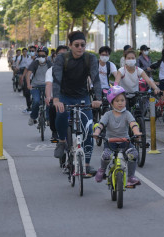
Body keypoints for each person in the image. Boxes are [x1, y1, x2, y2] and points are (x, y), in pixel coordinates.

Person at [52, 31, 102, 176]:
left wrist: (98, 98)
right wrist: (56, 99)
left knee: (88, 129)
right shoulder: (62, 58)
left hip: (82, 96)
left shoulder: (90, 58)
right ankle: (62, 141)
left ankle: (86, 164)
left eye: (83, 45)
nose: (80, 48)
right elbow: (56, 79)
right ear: (70, 46)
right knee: (61, 114)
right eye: (77, 45)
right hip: (64, 96)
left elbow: (96, 79)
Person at [93, 86, 142, 186]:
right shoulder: (108, 114)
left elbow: (133, 123)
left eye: (122, 100)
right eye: (117, 101)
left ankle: (131, 177)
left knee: (134, 154)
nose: (120, 103)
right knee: (106, 155)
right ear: (111, 103)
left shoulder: (127, 114)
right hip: (110, 142)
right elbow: (101, 125)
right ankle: (102, 170)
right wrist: (97, 133)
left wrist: (137, 132)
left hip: (125, 141)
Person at [45, 45, 68, 140]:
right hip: (57, 97)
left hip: (72, 97)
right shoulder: (51, 70)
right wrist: (48, 97)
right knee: (52, 109)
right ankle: (54, 131)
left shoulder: (75, 68)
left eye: (65, 54)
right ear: (55, 56)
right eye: (59, 54)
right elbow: (49, 84)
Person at [26, 46, 52, 126]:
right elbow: (28, 73)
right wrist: (28, 84)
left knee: (48, 101)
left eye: (43, 56)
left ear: (47, 56)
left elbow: (55, 74)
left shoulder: (49, 64)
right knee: (36, 101)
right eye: (39, 56)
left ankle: (48, 119)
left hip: (46, 86)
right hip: (35, 86)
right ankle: (33, 117)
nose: (41, 57)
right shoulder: (35, 63)